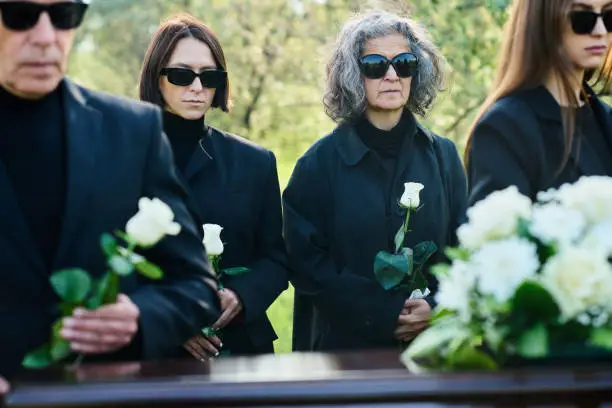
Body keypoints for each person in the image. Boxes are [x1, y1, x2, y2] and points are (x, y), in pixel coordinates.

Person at [0, 0, 220, 380]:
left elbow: (196, 288)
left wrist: (140, 315)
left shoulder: (133, 132)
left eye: (62, 16)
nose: (44, 38)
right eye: (19, 16)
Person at [282, 10, 467, 352]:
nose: (392, 75)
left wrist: (436, 306)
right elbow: (306, 263)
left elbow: (465, 249)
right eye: (375, 65)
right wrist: (383, 313)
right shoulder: (317, 165)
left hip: (434, 350)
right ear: (354, 74)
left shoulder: (444, 157)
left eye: (404, 63)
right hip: (345, 356)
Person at [139, 14, 288, 359]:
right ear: (156, 77)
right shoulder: (124, 158)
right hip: (154, 352)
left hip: (239, 349)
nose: (196, 87)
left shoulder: (255, 161)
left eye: (209, 76)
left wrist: (241, 296)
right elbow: (107, 258)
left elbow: (275, 259)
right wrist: (170, 315)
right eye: (180, 74)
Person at [465, 0, 612, 205]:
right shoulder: (505, 127)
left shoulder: (605, 119)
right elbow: (501, 233)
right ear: (544, 22)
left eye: (608, 16)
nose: (600, 30)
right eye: (582, 18)